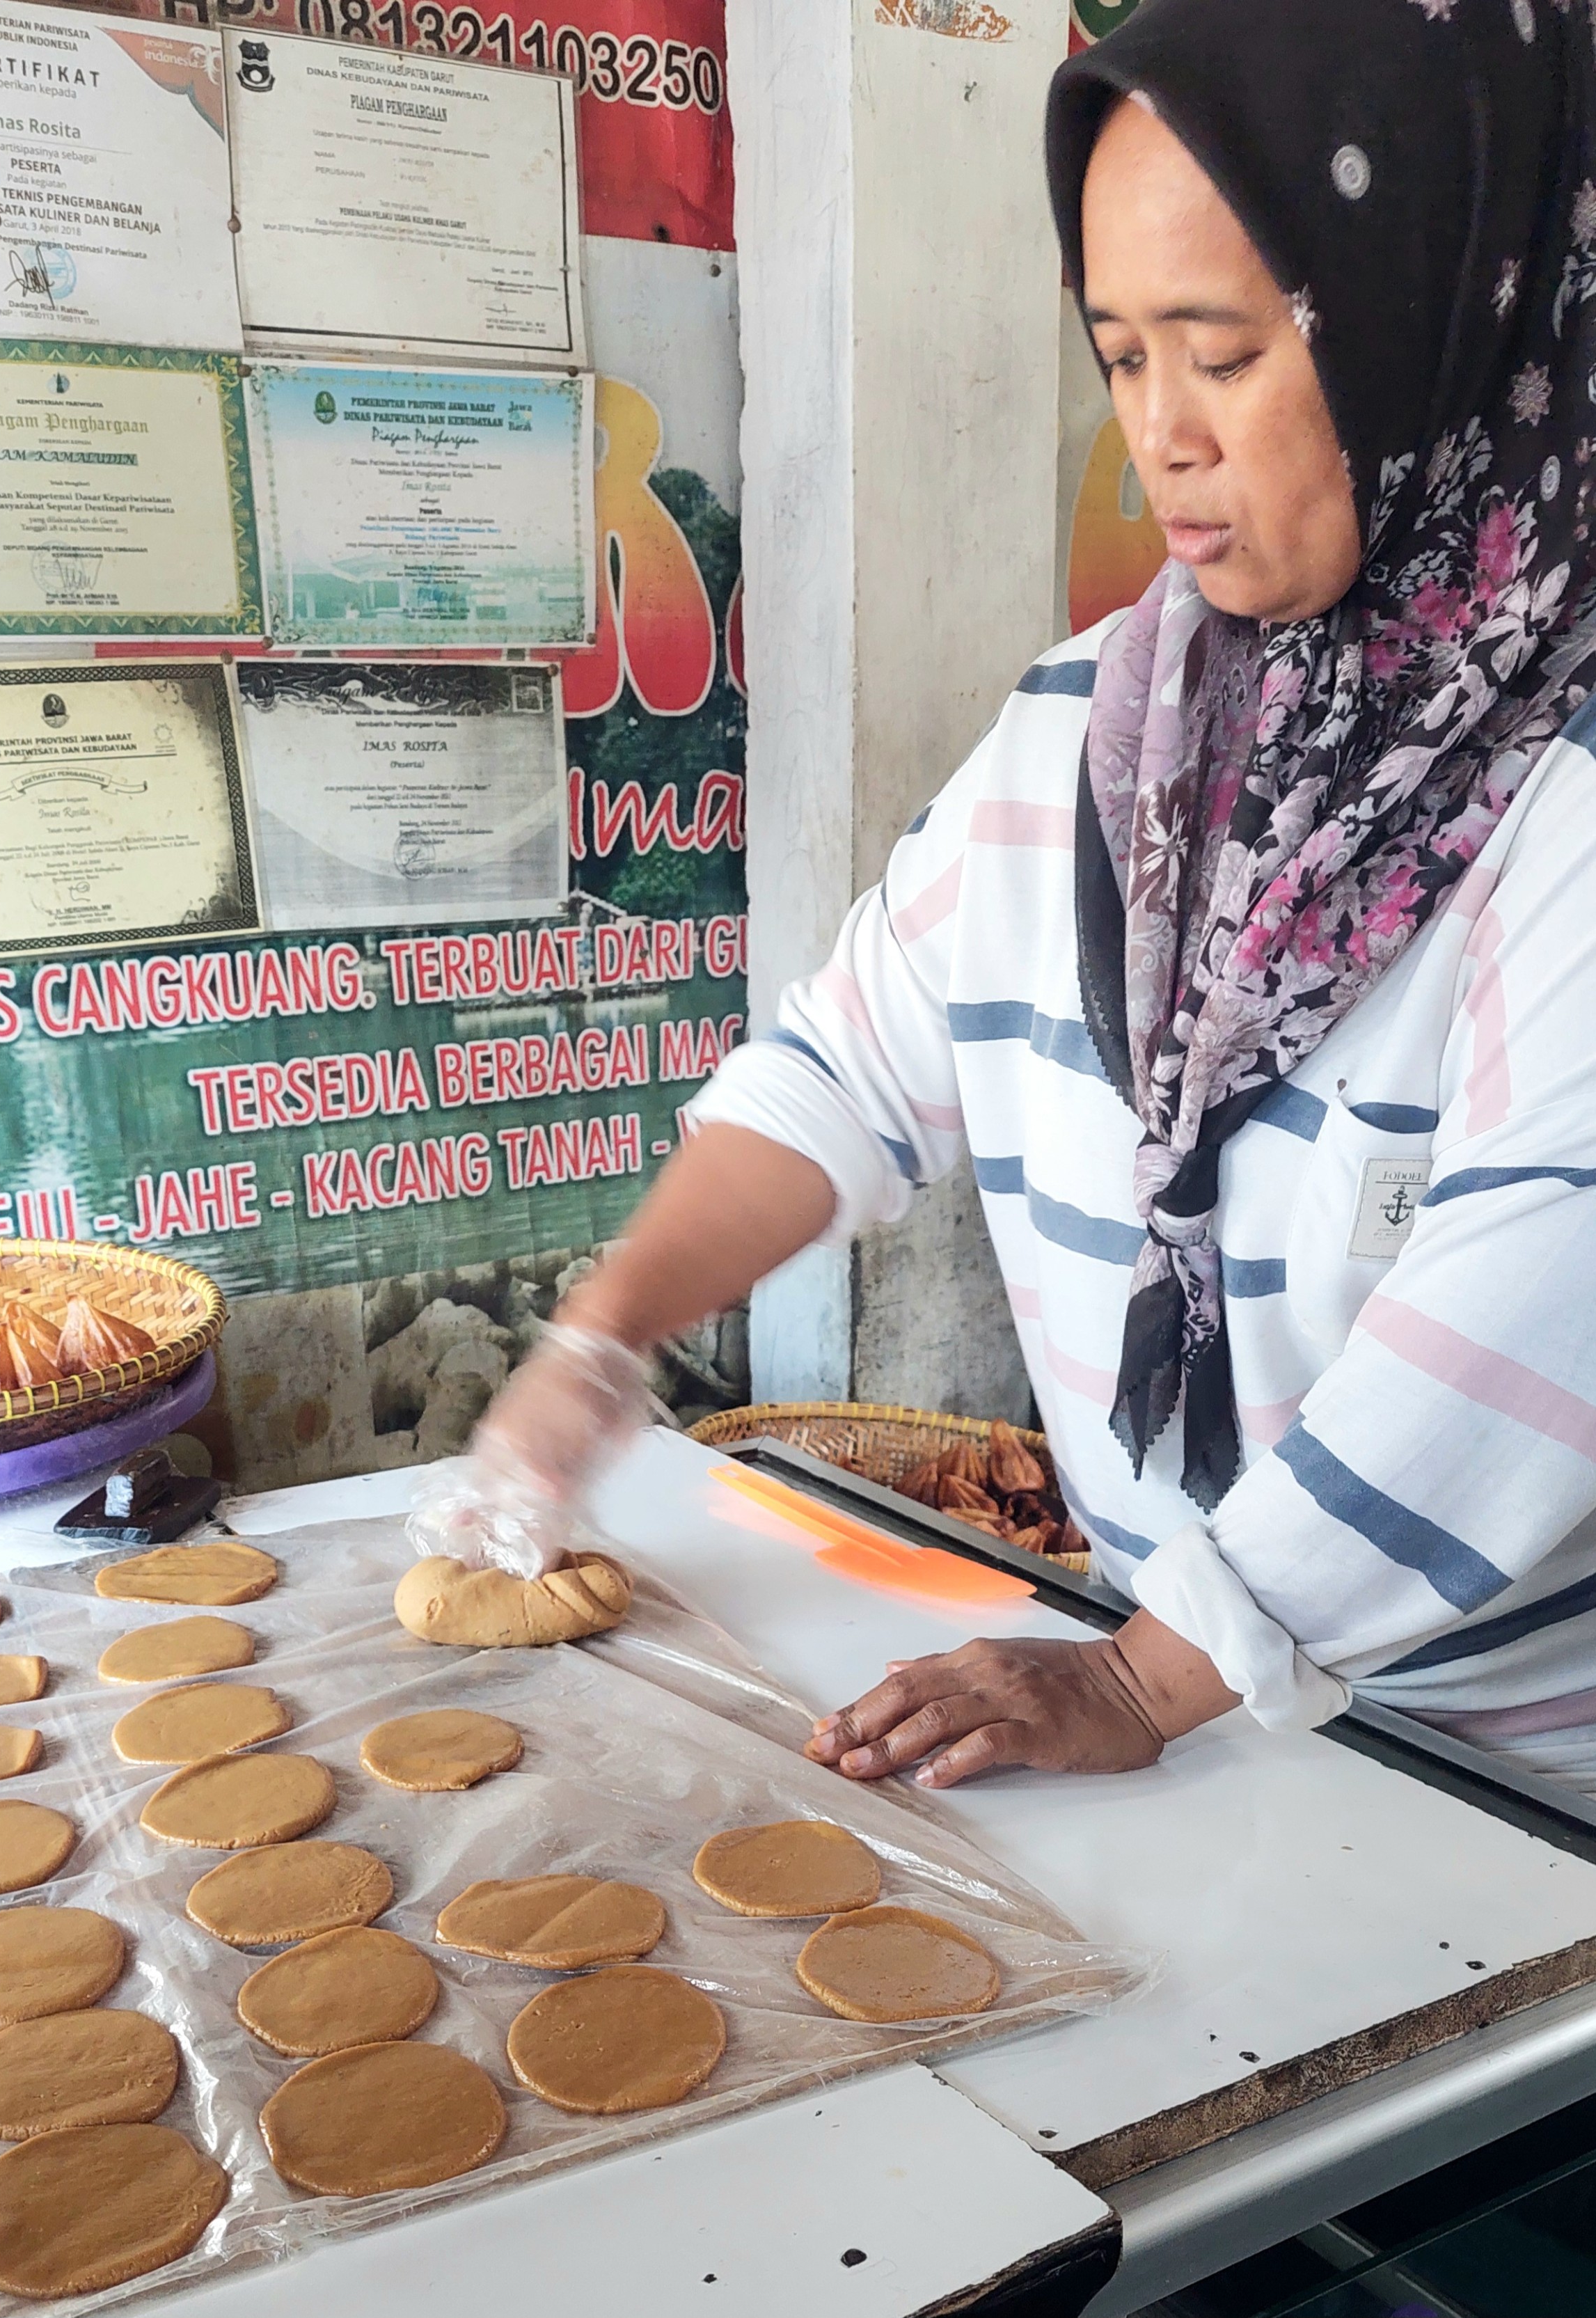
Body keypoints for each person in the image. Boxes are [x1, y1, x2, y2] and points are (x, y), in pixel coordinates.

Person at [477, 0, 1596, 1796]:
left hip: (1509, 1789)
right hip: (1188, 1699)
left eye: (1224, 356)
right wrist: (603, 1338)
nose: (1163, 438)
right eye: (1122, 354)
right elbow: (847, 1069)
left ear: (1435, 328)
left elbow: (1542, 1323)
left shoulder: (1567, 793)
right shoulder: (1097, 727)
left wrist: (1149, 1685)